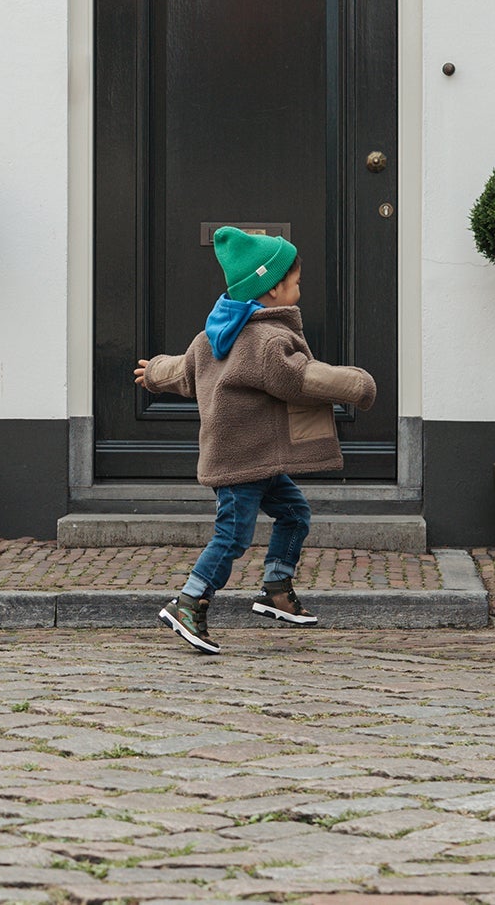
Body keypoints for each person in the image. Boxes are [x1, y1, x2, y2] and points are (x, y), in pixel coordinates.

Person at [134, 227, 376, 654]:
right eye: (296, 282)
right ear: (274, 288)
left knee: (295, 513)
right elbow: (299, 378)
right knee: (232, 536)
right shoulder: (268, 341)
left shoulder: (215, 333)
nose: (299, 290)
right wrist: (358, 385)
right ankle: (189, 601)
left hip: (258, 459)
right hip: (240, 462)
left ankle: (275, 589)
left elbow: (185, 370)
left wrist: (153, 372)